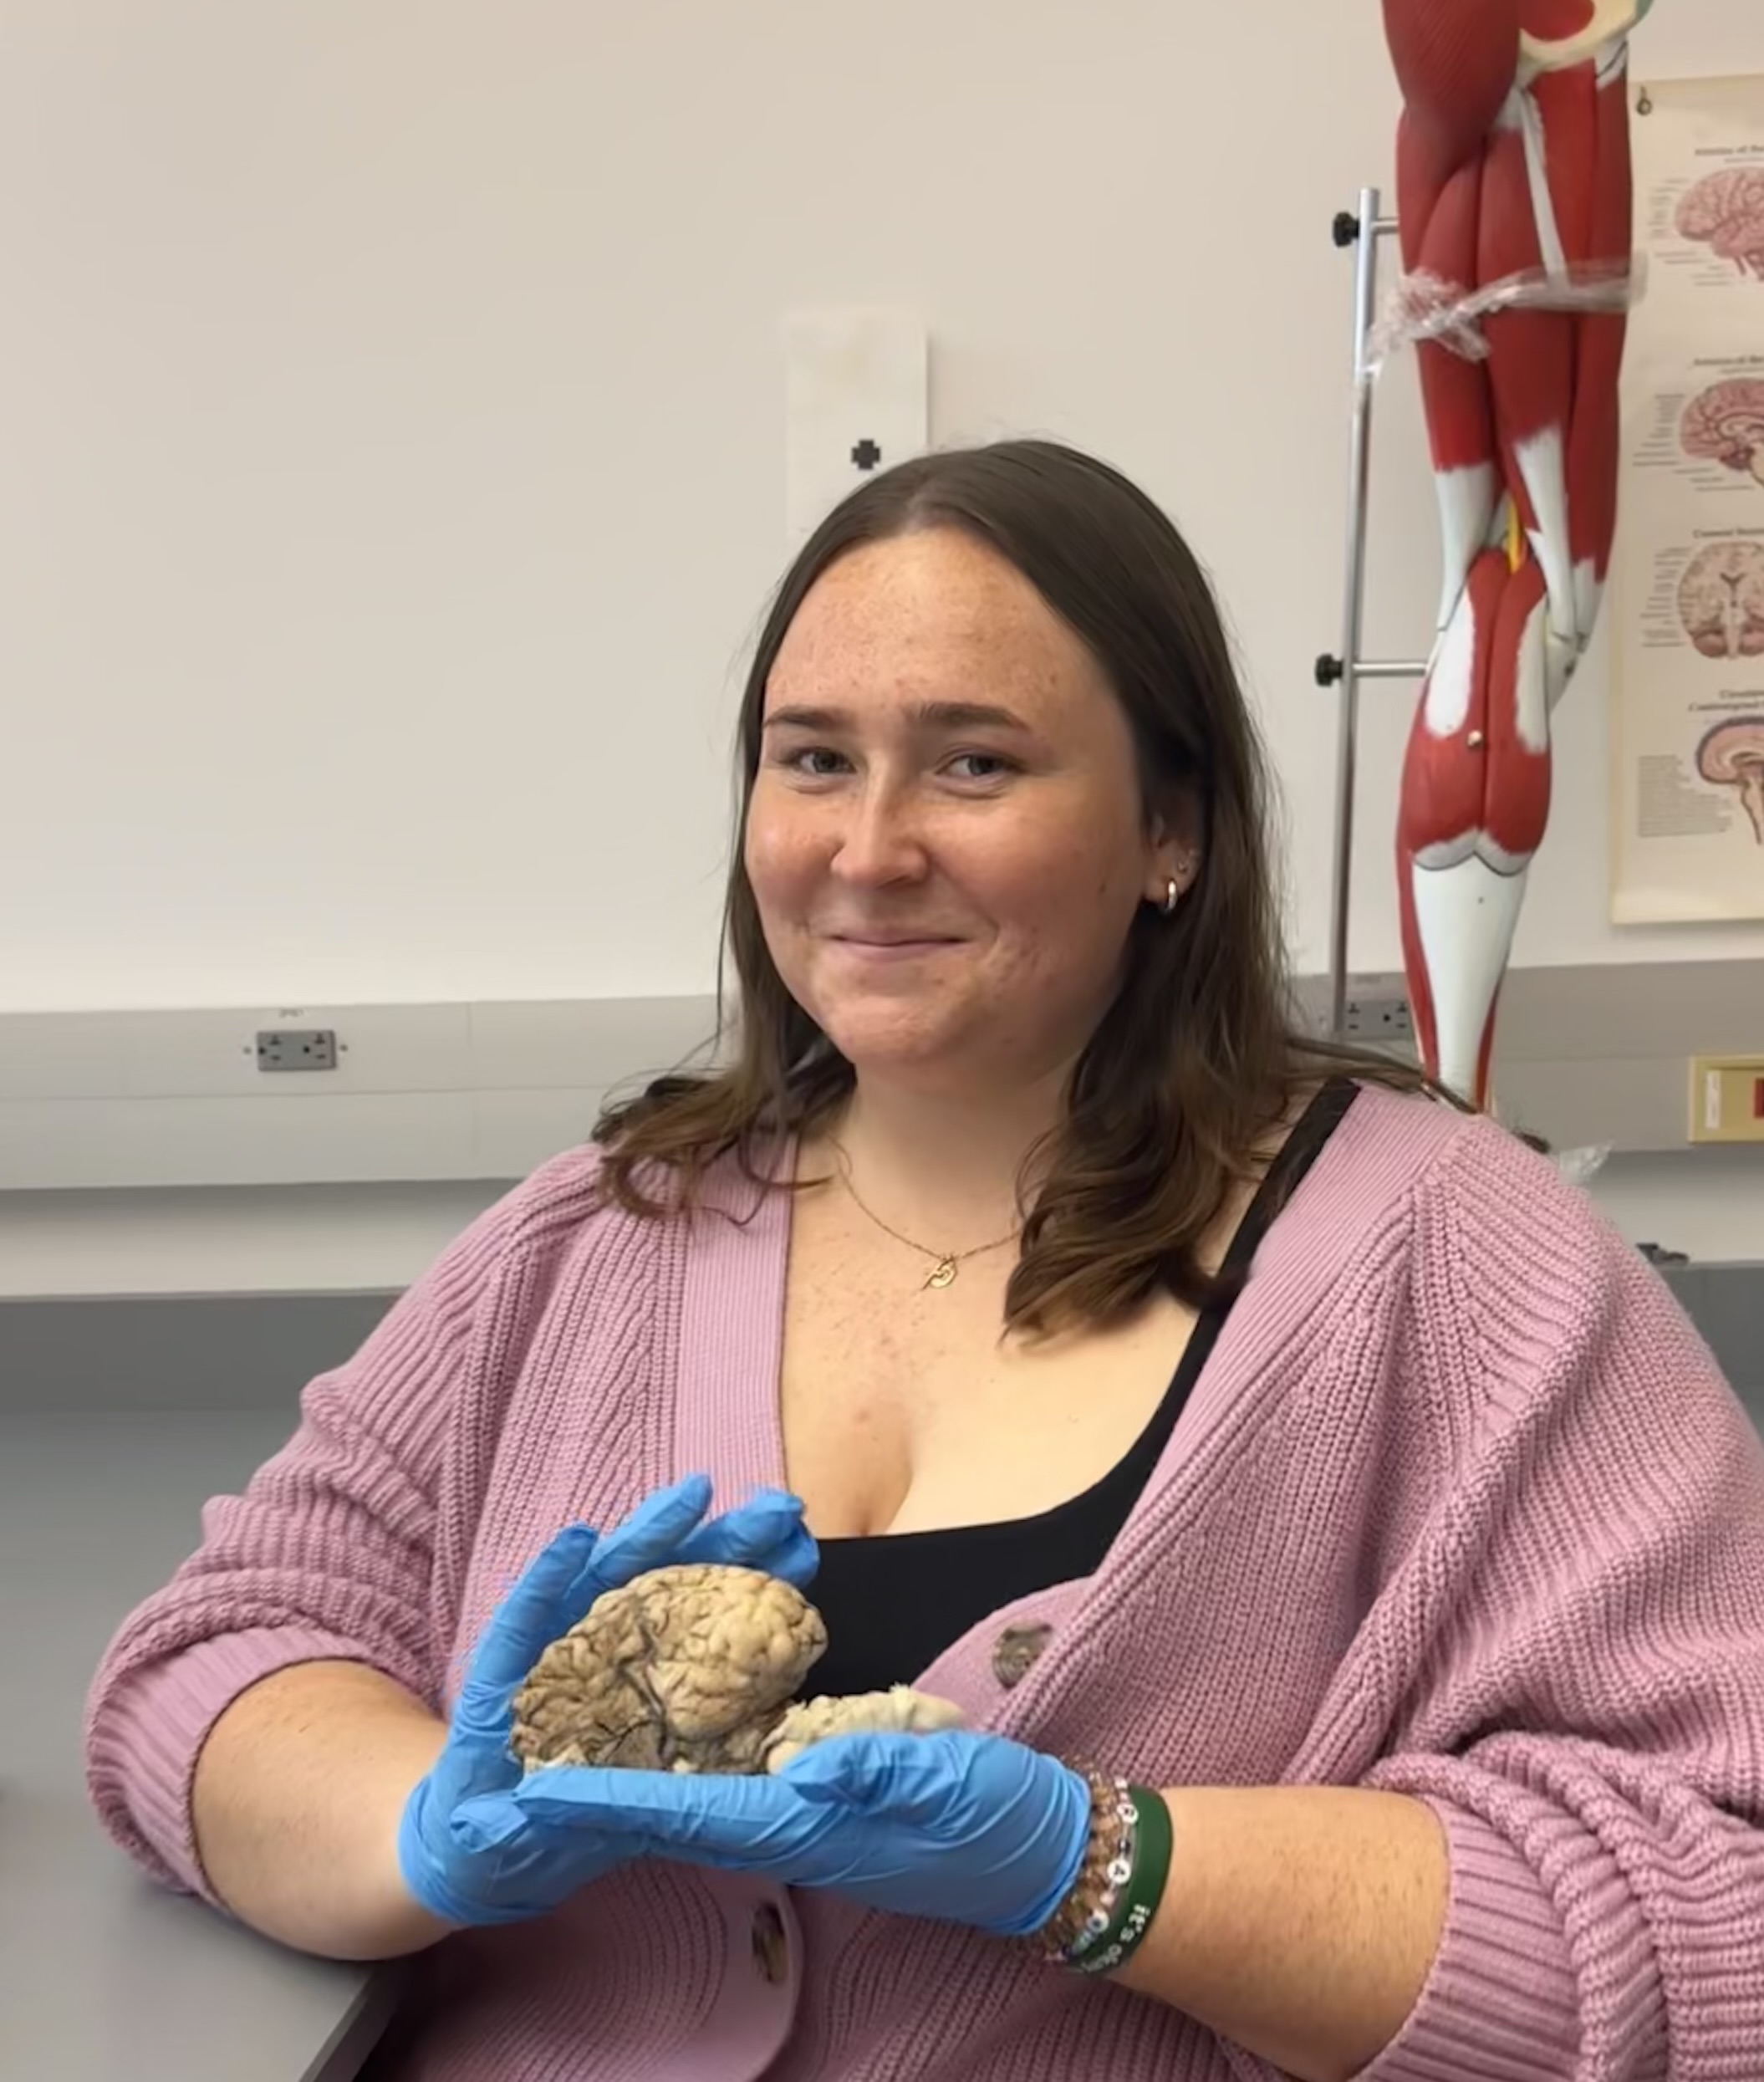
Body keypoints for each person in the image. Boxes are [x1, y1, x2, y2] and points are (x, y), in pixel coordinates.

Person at [83, 439, 1764, 2082]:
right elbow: (211, 1664)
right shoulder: (586, 1244)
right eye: (813, 759)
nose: (868, 849)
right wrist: (423, 1829)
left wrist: (1103, 1867)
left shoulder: (1458, 1266)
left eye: (973, 763)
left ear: (1169, 826)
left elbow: (1718, 1915)